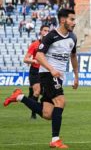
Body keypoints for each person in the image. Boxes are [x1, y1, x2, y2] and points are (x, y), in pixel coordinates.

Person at [3, 9, 79, 148]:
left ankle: (20, 97)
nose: (74, 23)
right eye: (72, 19)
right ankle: (55, 140)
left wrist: (76, 76)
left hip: (57, 76)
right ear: (63, 20)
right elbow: (38, 56)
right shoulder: (51, 36)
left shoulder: (73, 38)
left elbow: (73, 57)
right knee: (61, 101)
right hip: (47, 74)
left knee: (47, 113)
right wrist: (51, 69)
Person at [23, 25, 50, 119]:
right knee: (37, 91)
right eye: (45, 30)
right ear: (41, 32)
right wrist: (34, 61)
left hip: (45, 71)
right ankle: (33, 114)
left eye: (48, 31)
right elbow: (25, 59)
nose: (46, 32)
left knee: (45, 93)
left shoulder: (50, 45)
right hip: (35, 71)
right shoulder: (34, 44)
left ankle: (31, 95)